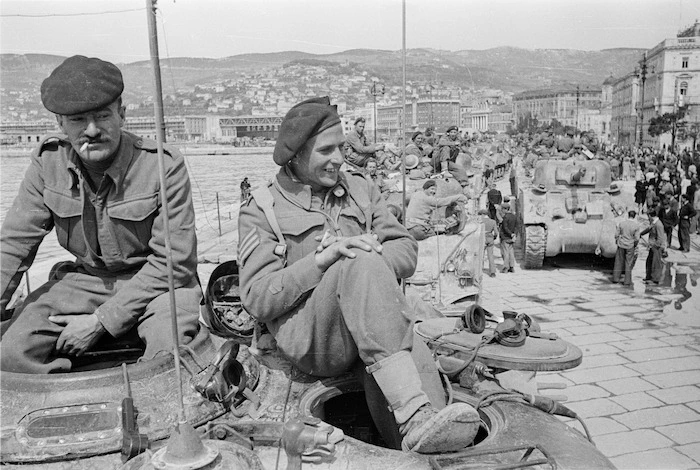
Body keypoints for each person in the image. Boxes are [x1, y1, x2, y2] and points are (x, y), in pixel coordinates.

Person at [237, 97, 479, 454]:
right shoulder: (263, 208)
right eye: (327, 150)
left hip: (373, 325)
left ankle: (423, 438)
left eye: (342, 147)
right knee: (360, 261)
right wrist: (321, 261)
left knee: (419, 366)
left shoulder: (361, 189)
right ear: (296, 155)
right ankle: (413, 414)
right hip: (312, 338)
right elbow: (257, 297)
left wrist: (370, 260)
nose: (339, 158)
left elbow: (405, 249)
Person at [0, 55, 201, 373]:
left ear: (121, 114)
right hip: (86, 282)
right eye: (78, 120)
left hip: (157, 285)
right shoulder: (46, 164)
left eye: (102, 116)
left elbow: (173, 263)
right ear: (60, 124)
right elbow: (13, 245)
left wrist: (102, 321)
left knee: (168, 359)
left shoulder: (162, 165)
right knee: (10, 352)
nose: (92, 130)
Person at [612, 210, 641, 286]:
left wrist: (618, 240)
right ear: (634, 216)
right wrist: (635, 245)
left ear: (628, 215)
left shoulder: (622, 224)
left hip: (621, 244)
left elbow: (616, 235)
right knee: (628, 263)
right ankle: (627, 281)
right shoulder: (636, 226)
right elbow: (637, 238)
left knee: (618, 262)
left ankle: (615, 278)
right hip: (630, 245)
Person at [641, 206, 666, 284]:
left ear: (649, 216)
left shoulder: (658, 224)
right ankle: (649, 277)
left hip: (657, 247)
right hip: (652, 246)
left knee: (656, 263)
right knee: (649, 262)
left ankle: (655, 279)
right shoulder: (653, 222)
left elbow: (660, 238)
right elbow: (648, 229)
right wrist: (640, 234)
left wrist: (655, 246)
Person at [499, 202, 517, 273]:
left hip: (505, 237)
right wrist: (514, 234)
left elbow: (505, 228)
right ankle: (512, 267)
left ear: (505, 209)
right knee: (511, 252)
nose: (501, 211)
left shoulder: (505, 217)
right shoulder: (514, 216)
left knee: (505, 253)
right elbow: (516, 227)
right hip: (511, 238)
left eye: (502, 209)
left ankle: (505, 268)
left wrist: (511, 234)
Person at [479, 209, 498, 277]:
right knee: (490, 255)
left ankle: (479, 270)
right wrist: (494, 237)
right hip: (490, 238)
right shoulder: (493, 221)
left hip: (482, 238)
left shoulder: (480, 221)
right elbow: (496, 232)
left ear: (483, 215)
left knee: (481, 255)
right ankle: (492, 272)